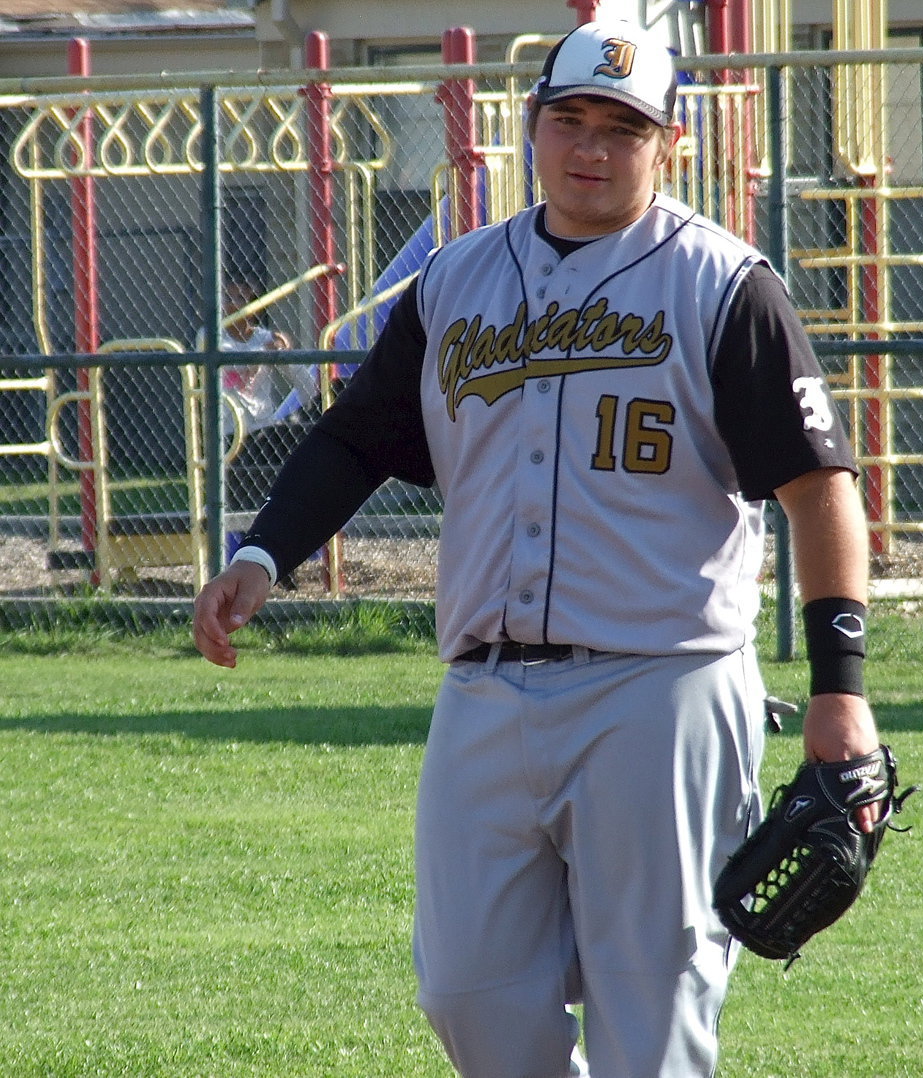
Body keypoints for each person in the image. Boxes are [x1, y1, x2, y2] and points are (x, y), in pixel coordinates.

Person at [193, 19, 881, 1077]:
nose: (591, 148)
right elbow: (352, 436)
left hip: (662, 688)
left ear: (671, 144)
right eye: (570, 119)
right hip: (484, 692)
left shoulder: (723, 285)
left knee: (651, 1016)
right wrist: (263, 553)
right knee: (466, 989)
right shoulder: (457, 281)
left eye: (623, 126)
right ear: (532, 127)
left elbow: (817, 488)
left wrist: (841, 684)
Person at [196, 279, 318, 509]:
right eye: (227, 298)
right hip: (227, 431)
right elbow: (233, 359)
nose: (232, 305)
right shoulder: (210, 336)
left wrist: (284, 351)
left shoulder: (264, 338)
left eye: (240, 299)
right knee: (233, 496)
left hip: (261, 429)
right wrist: (264, 353)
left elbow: (306, 386)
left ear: (254, 306)